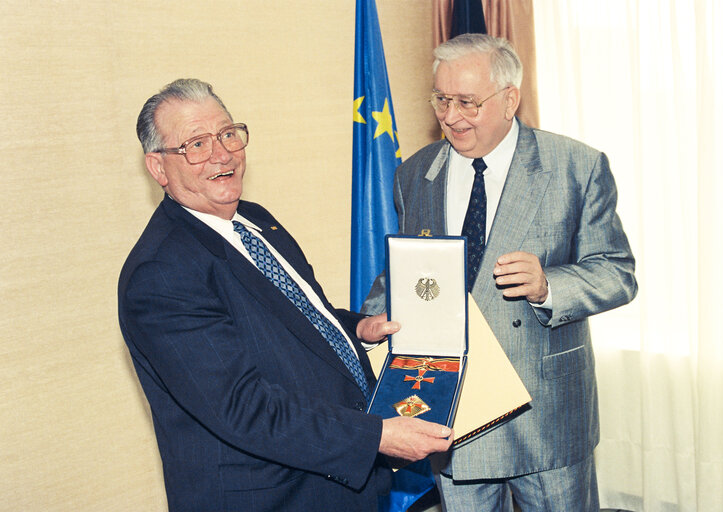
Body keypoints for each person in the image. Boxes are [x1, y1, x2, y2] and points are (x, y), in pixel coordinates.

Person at [118, 78, 453, 512]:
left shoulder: (255, 220)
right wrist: (378, 437)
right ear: (159, 167)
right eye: (196, 144)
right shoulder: (161, 274)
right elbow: (243, 407)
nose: (222, 154)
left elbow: (296, 319)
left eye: (227, 134)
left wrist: (356, 328)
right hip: (274, 497)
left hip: (339, 485)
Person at [362, 34, 638, 511]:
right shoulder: (415, 173)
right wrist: (371, 321)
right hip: (452, 414)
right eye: (441, 100)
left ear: (510, 99)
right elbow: (403, 275)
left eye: (467, 102)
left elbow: (617, 272)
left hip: (545, 417)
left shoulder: (575, 166)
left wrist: (550, 286)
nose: (451, 116)